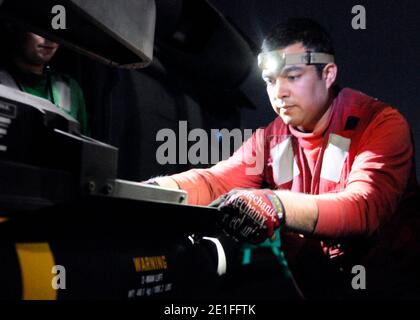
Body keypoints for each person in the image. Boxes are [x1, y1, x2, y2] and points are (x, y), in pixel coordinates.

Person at [145, 18, 420, 298]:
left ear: (328, 74)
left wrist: (275, 204)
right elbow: (215, 181)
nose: (279, 93)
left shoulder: (381, 125)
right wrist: (150, 193)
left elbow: (363, 208)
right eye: (270, 80)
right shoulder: (272, 139)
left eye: (293, 76)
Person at [0, 29, 88, 134]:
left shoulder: (70, 89)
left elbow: (84, 147)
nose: (50, 39)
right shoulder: (3, 80)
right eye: (39, 28)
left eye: (57, 30)